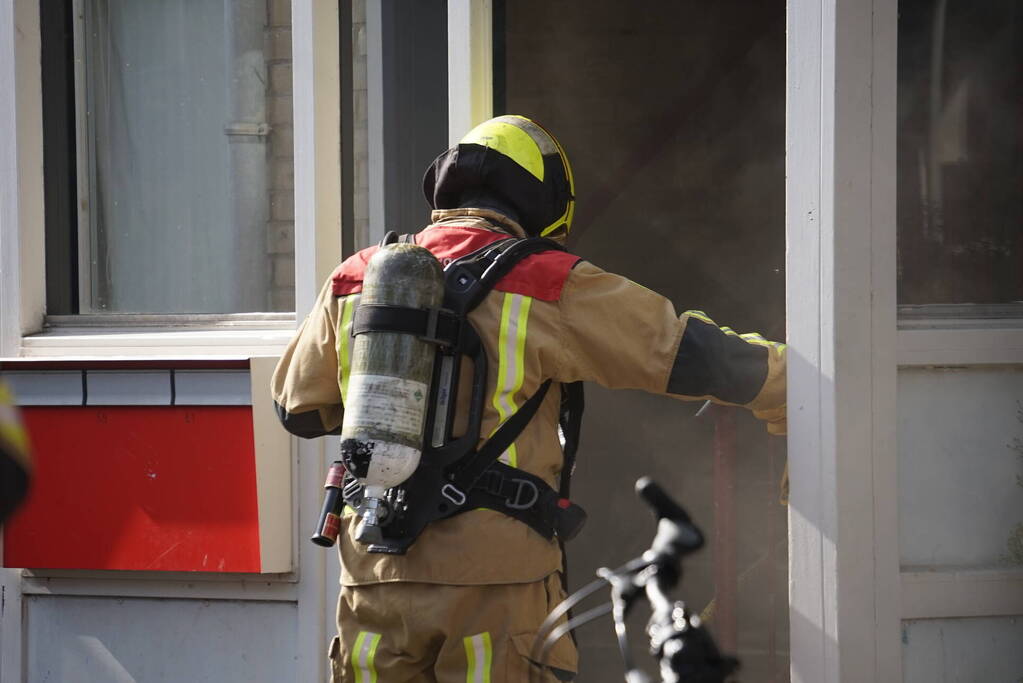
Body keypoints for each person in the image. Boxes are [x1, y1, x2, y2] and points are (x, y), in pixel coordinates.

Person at [271, 114, 786, 682]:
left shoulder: (357, 276)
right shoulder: (548, 280)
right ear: (542, 202)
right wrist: (790, 383)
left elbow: (295, 407)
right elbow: (681, 351)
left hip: (373, 572)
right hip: (495, 581)